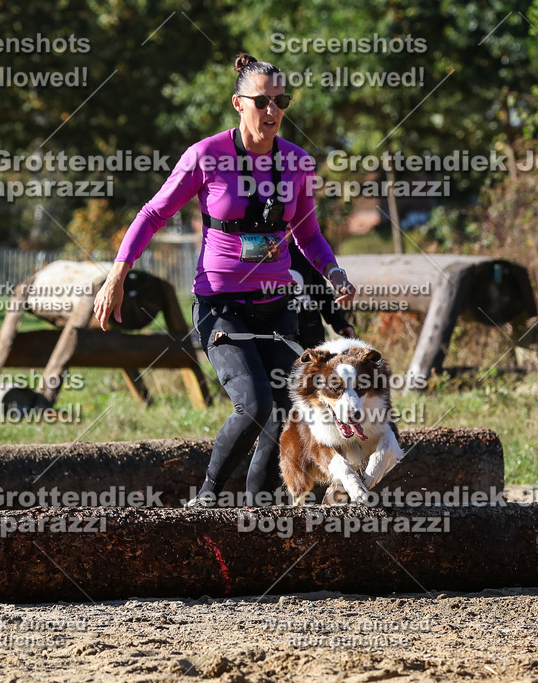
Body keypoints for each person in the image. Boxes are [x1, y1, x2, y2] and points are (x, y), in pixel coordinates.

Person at [93, 53, 356, 506]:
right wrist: (118, 274)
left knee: (286, 410)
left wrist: (333, 272)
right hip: (221, 305)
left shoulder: (297, 163)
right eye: (262, 101)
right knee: (254, 405)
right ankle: (208, 498)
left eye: (281, 101)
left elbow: (308, 233)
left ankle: (260, 507)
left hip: (277, 305)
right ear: (238, 103)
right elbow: (153, 214)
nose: (272, 111)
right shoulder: (207, 155)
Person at [288, 240, 355, 348]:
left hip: (311, 333)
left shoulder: (303, 250)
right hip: (279, 335)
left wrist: (338, 322)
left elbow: (321, 292)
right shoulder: (266, 254)